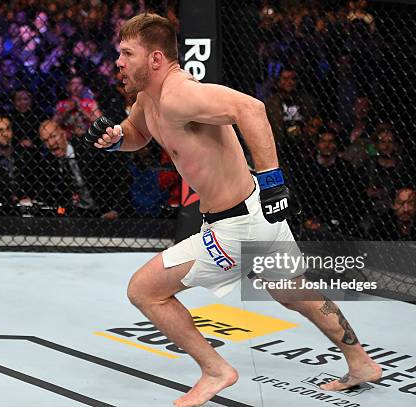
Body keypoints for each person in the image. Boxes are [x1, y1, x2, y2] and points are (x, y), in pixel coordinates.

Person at [85, 13, 381, 407]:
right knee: (292, 291)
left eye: (126, 53)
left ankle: (215, 370)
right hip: (253, 210)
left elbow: (252, 110)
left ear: (155, 59)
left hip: (236, 226)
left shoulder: (180, 94)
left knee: (145, 291)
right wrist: (115, 139)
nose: (118, 62)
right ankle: (360, 362)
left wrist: (274, 178)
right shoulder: (147, 99)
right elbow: (138, 134)